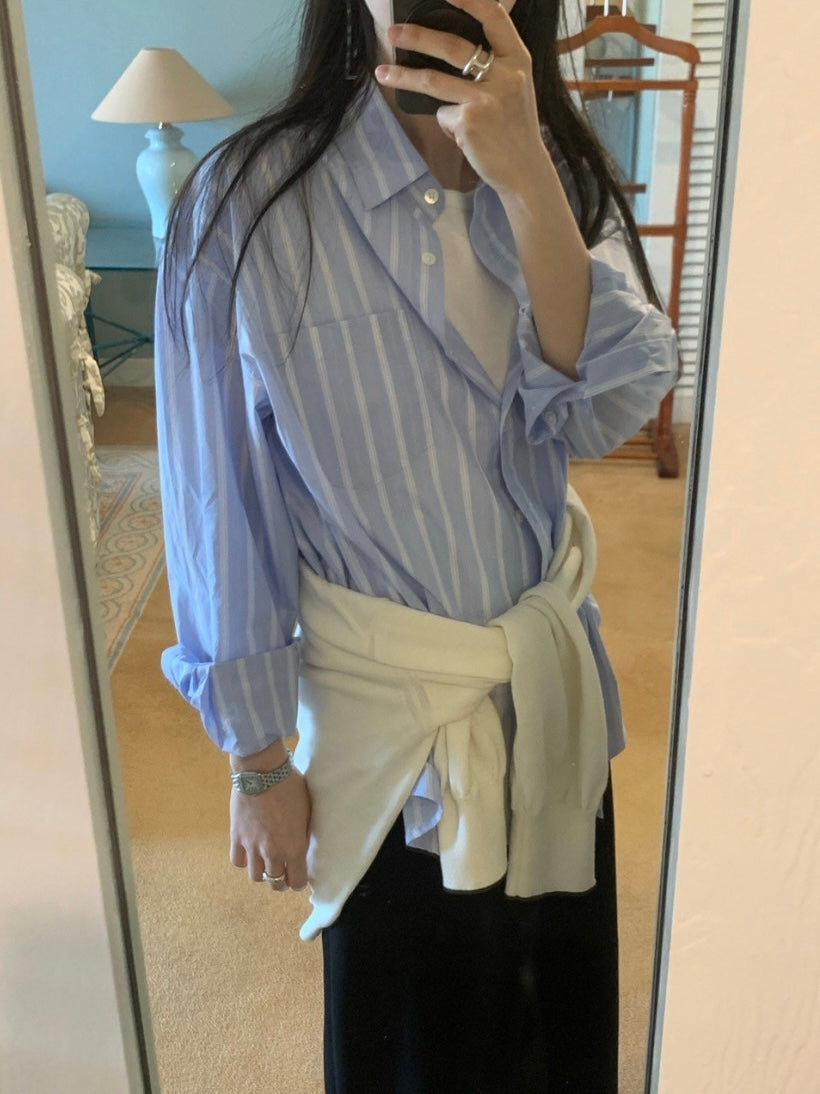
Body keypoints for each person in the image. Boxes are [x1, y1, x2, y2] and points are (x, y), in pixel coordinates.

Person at [154, 0, 680, 1089]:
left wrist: (526, 182)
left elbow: (603, 412)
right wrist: (257, 760)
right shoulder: (248, 204)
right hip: (387, 738)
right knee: (412, 1051)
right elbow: (219, 497)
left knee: (556, 1036)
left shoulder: (555, 170)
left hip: (550, 701)